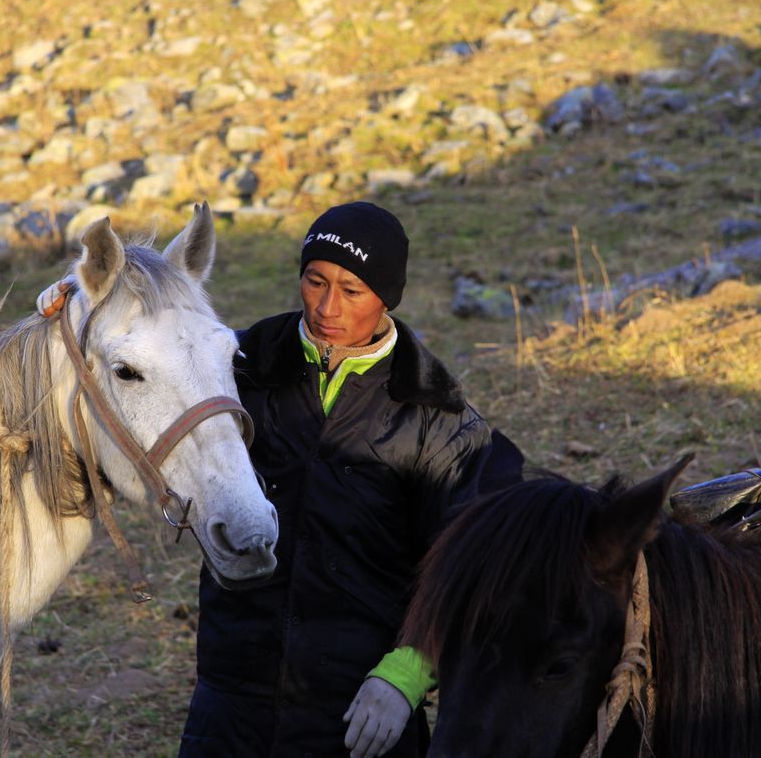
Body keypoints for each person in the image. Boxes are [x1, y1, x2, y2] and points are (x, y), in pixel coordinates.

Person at [177, 201, 525, 758]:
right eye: (315, 280)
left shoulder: (437, 416)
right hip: (231, 702)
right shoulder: (242, 368)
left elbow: (480, 566)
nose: (327, 306)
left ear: (387, 297)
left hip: (359, 715)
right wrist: (67, 311)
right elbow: (135, 366)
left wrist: (406, 676)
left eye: (352, 290)